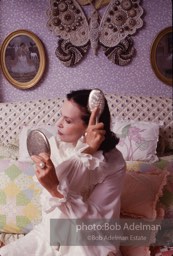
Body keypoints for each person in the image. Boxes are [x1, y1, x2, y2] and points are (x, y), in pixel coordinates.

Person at [0, 89, 126, 256]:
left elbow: (95, 224)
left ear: (91, 125)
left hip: (88, 242)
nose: (58, 124)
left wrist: (56, 189)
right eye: (61, 116)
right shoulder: (54, 146)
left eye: (67, 121)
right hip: (49, 235)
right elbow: (49, 209)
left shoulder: (113, 163)